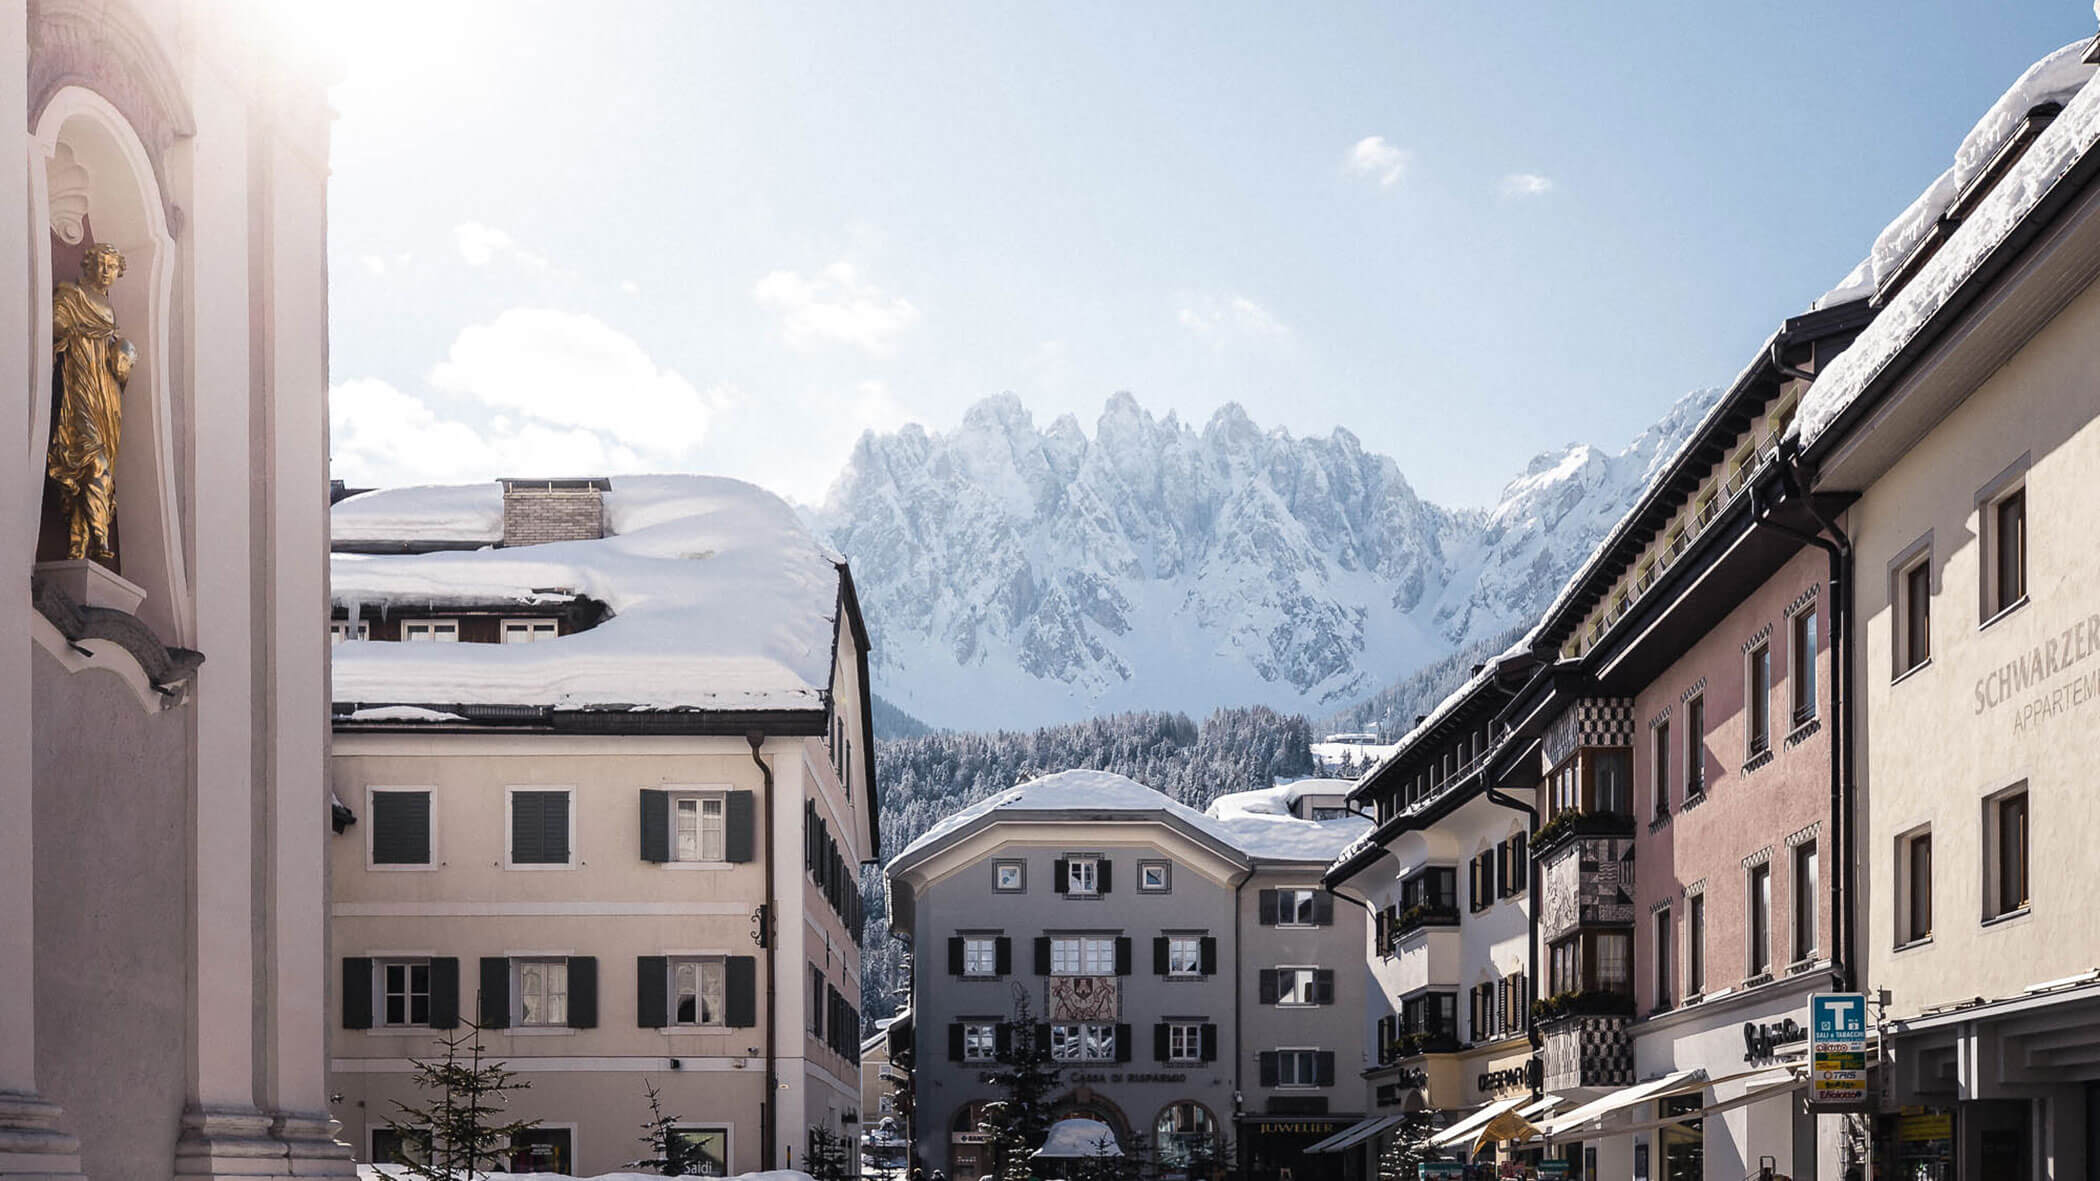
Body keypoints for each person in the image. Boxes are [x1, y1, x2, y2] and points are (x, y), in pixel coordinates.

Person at [47, 242, 133, 564]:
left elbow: (116, 347)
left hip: (106, 393)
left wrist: (126, 352)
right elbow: (56, 324)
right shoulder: (72, 295)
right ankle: (100, 533)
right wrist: (64, 317)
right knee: (93, 459)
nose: (106, 272)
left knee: (102, 463)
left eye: (112, 266)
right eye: (101, 264)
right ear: (88, 265)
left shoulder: (109, 309)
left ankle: (77, 545)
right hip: (80, 384)